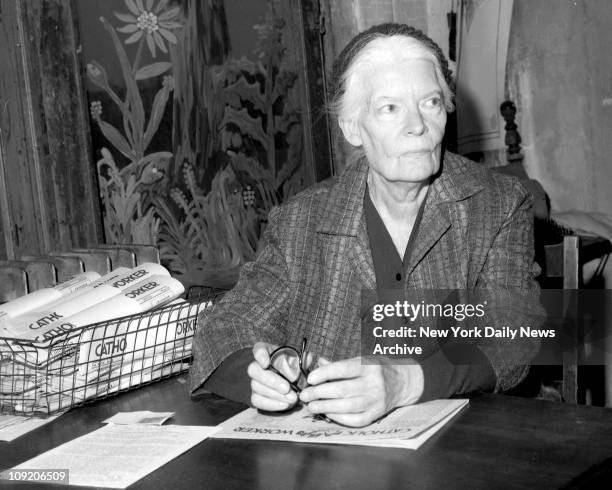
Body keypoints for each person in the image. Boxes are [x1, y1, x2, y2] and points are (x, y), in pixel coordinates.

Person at [190, 23, 542, 427]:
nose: (417, 125)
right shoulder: (301, 220)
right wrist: (256, 375)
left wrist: (406, 381)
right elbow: (225, 327)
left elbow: (518, 332)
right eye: (389, 108)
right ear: (352, 127)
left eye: (429, 102)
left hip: (460, 448)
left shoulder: (496, 204)